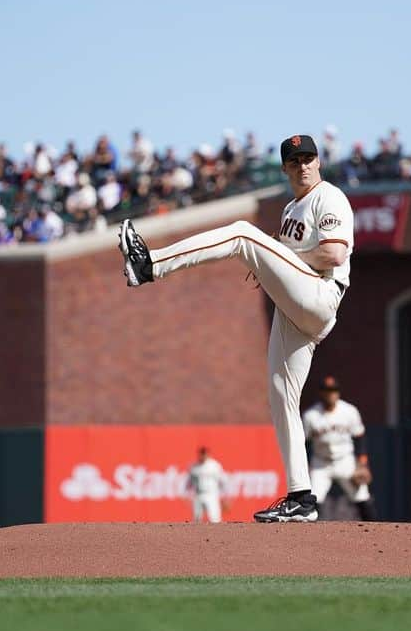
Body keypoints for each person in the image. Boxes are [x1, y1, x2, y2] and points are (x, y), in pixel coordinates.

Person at [118, 133, 353, 523]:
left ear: (319, 162)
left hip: (321, 294)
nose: (303, 166)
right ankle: (301, 498)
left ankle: (150, 264)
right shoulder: (292, 209)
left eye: (309, 158)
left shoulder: (329, 197)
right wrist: (276, 267)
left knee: (242, 234)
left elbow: (333, 252)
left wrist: (278, 258)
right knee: (281, 399)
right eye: (295, 161)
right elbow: (294, 258)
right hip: (295, 308)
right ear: (285, 168)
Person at [302, 376, 375, 521]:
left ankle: (377, 532)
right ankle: (311, 537)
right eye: (327, 390)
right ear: (321, 393)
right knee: (314, 501)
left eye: (333, 390)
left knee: (362, 498)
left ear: (338, 392)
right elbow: (304, 443)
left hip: (345, 460)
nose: (331, 393)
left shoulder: (349, 411)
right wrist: (307, 465)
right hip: (321, 463)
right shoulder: (311, 415)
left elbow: (360, 437)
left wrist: (362, 463)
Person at [186, 447, 228, 523]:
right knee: (197, 519)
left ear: (208, 454)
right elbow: (189, 484)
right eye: (201, 453)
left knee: (215, 519)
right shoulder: (194, 467)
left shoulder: (214, 466)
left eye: (204, 453)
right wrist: (188, 496)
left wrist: (225, 498)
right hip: (198, 495)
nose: (203, 456)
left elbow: (223, 481)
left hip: (211, 495)